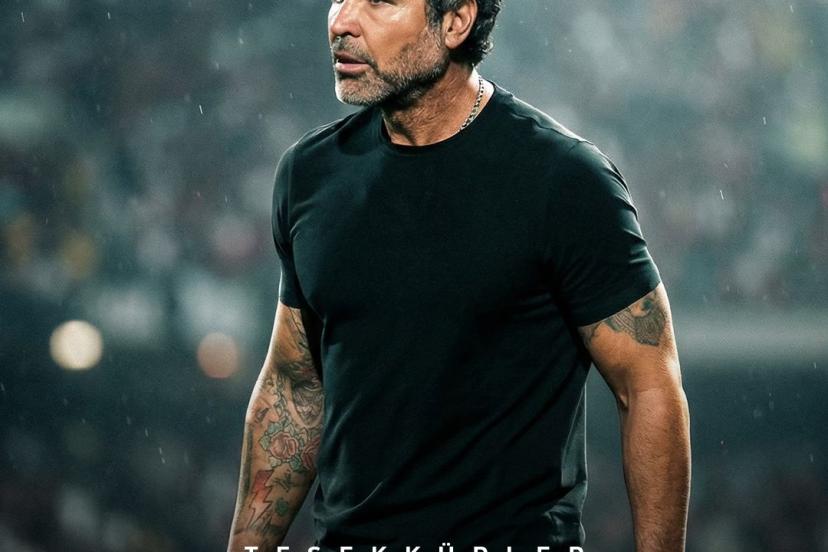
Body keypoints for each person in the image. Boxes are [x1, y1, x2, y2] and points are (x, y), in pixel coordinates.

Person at [227, 1, 691, 551]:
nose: (342, 21)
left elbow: (648, 387)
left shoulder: (563, 180)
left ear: (455, 21)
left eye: (380, 1)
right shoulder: (309, 175)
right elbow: (294, 387)